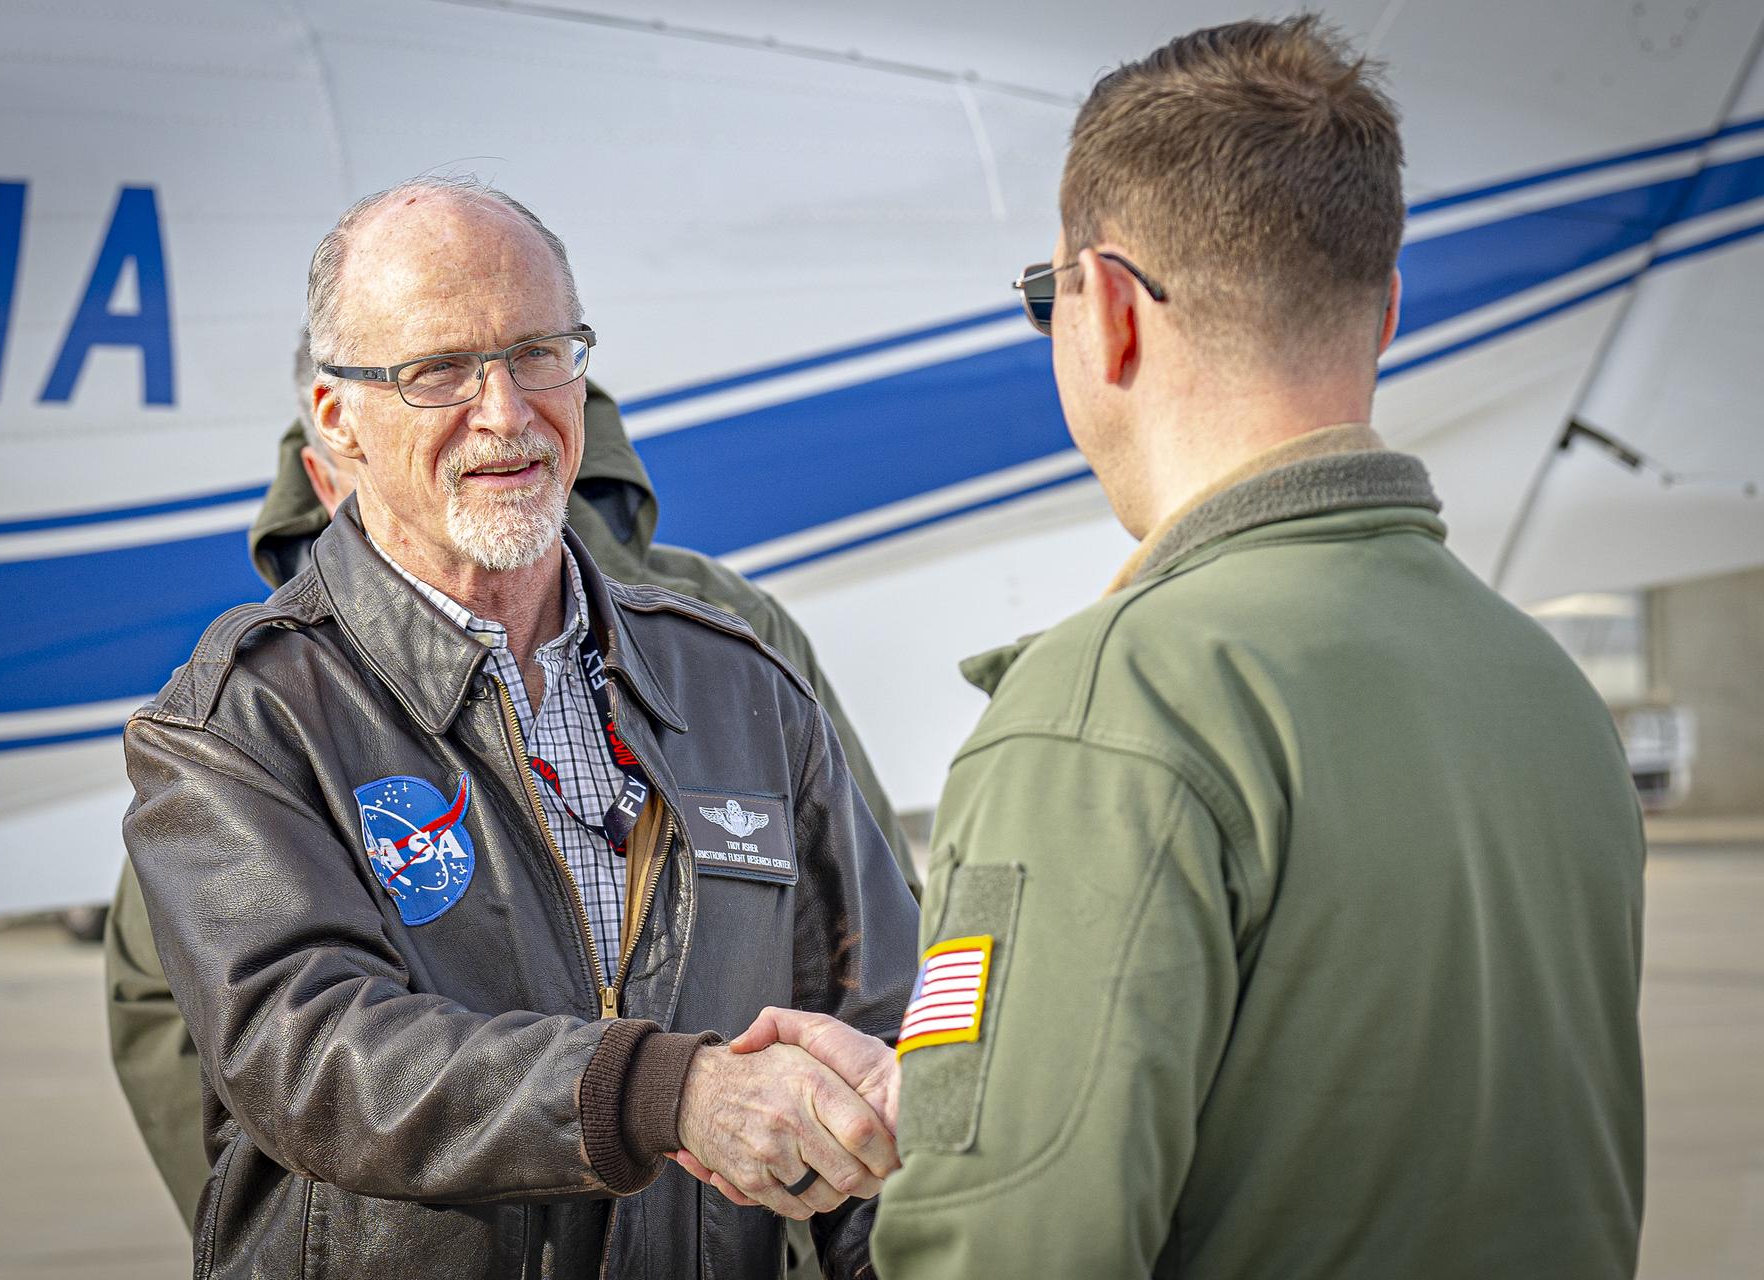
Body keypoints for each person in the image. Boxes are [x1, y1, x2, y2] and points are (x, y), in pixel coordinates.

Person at [726, 17, 1646, 1279]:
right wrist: (961, 1091)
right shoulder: (1542, 687)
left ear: (1104, 309)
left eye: (1045, 296)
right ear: (1384, 313)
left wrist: (972, 1157)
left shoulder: (1111, 706)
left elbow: (1013, 1250)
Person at [121, 175, 918, 1279]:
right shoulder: (239, 722)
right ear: (336, 417)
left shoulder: (738, 683)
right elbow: (313, 1054)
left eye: (540, 351)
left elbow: (879, 1031)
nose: (504, 409)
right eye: (437, 369)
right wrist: (670, 1092)